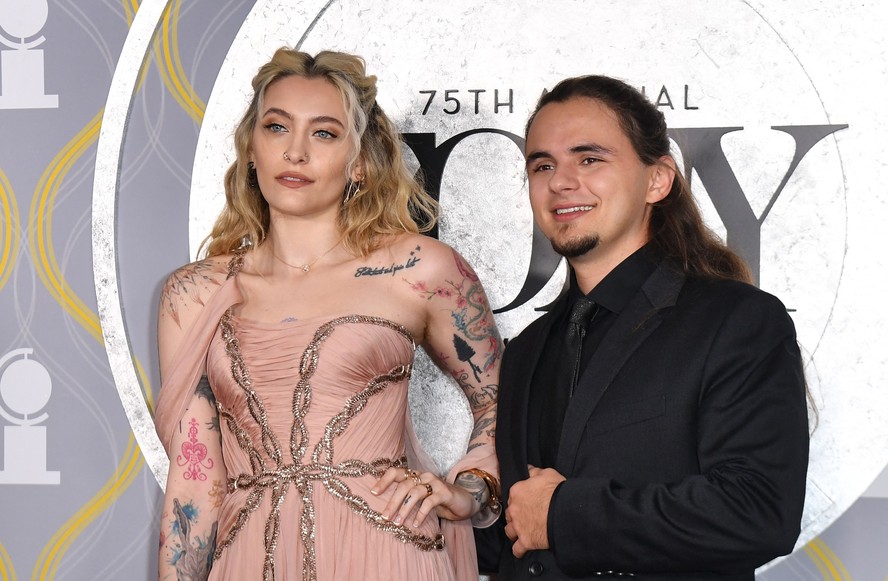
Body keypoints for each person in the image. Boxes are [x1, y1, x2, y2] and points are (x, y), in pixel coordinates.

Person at [153, 48, 503, 581]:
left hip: (386, 551)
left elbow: (500, 399)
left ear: (359, 160)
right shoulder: (195, 293)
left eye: (323, 133)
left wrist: (469, 491)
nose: (295, 152)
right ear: (251, 149)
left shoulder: (422, 268)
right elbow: (197, 480)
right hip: (248, 556)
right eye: (276, 127)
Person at [476, 75, 809, 580]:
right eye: (543, 165)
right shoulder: (527, 350)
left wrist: (564, 514)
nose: (561, 182)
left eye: (589, 159)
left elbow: (757, 512)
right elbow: (523, 541)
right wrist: (456, 515)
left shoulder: (738, 321)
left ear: (658, 179)